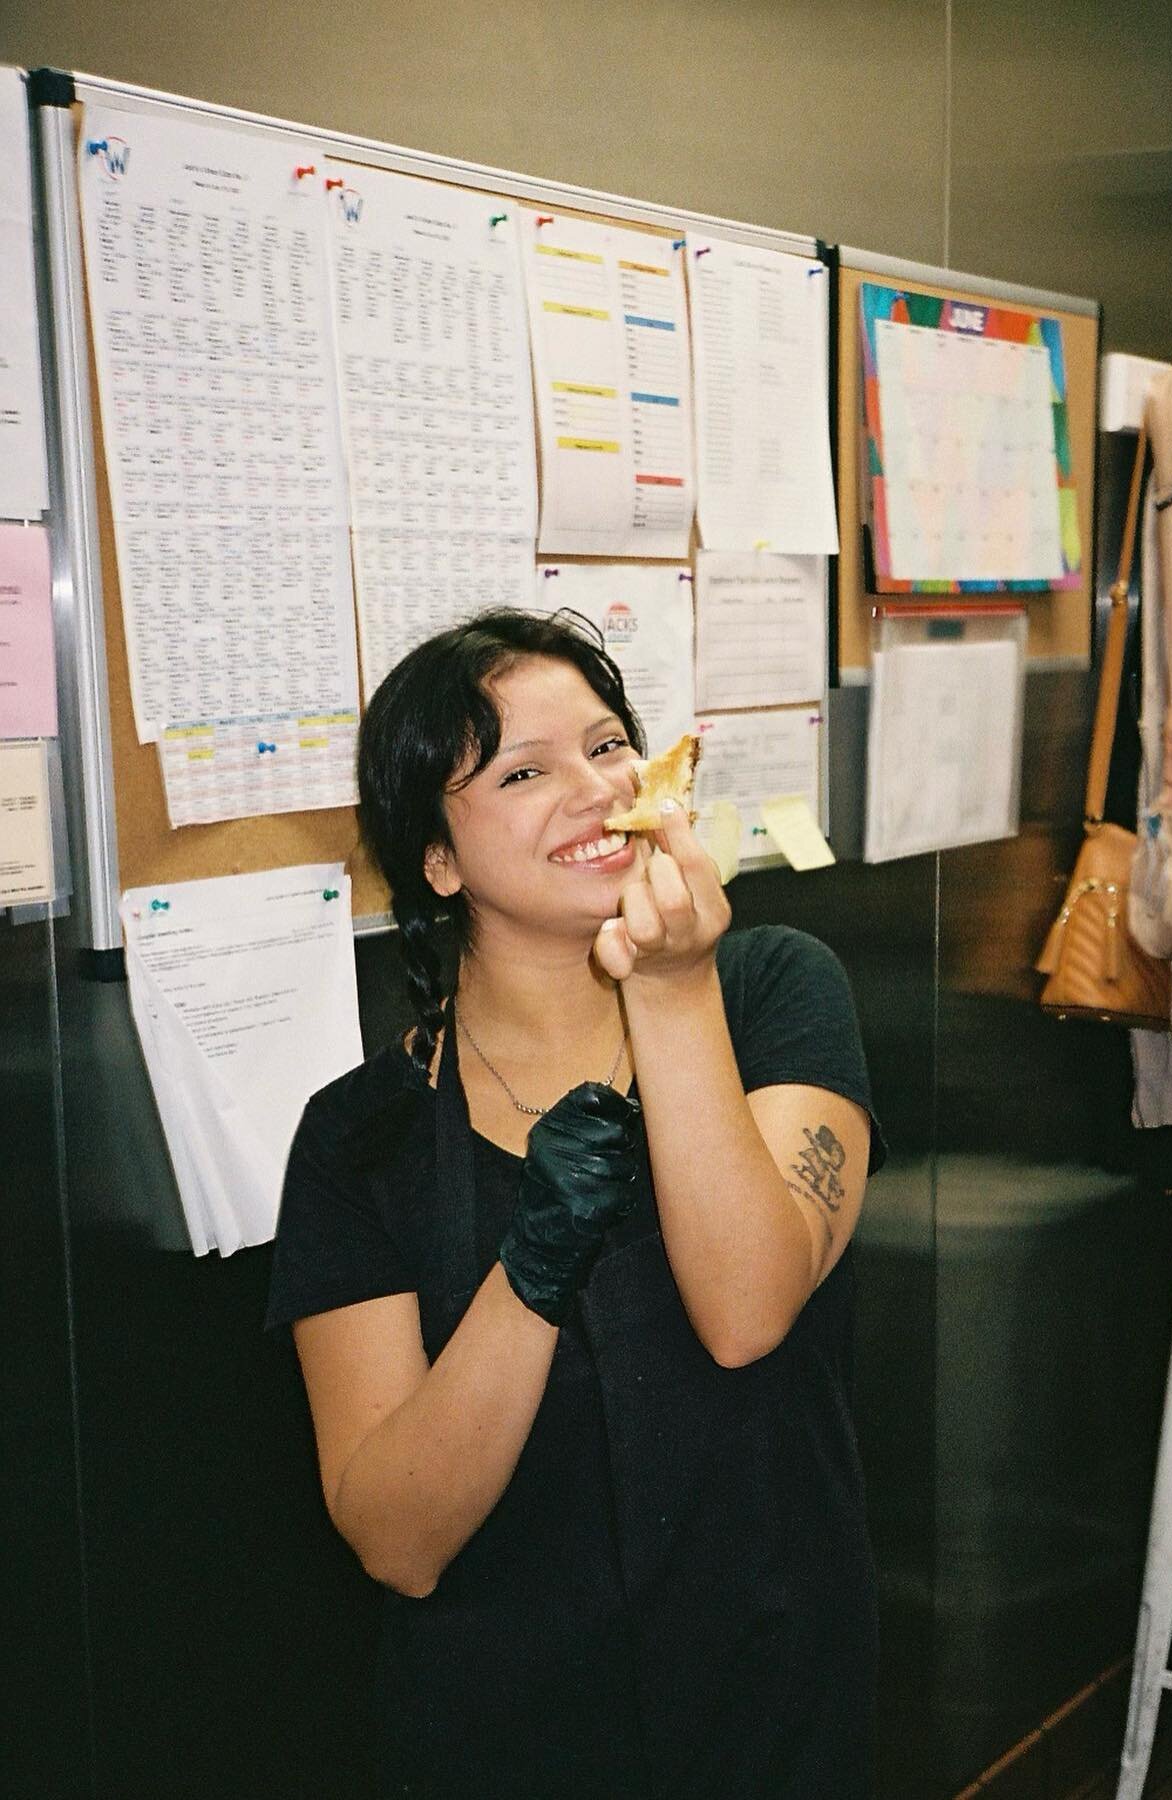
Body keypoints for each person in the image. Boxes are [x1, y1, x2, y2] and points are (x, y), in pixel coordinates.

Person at [266, 608, 885, 1799]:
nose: (596, 791)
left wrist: (671, 989)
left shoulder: (770, 994)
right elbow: (396, 1541)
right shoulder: (364, 1137)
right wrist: (536, 1257)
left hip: (774, 1700)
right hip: (503, 1731)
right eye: (524, 771)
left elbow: (750, 1311)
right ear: (437, 860)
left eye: (609, 748)